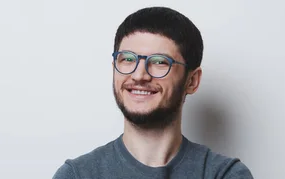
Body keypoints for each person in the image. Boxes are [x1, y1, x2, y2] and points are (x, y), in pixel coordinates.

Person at [52, 6, 253, 179]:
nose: (139, 75)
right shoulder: (78, 175)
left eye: (159, 62)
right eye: (128, 59)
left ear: (192, 81)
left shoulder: (223, 174)